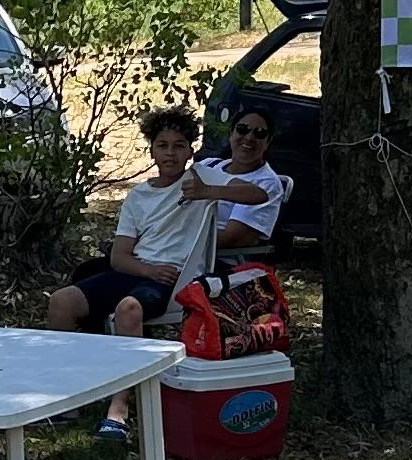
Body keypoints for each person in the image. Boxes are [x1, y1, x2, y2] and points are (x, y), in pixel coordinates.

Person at [50, 107, 214, 441]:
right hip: (140, 270)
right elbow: (119, 256)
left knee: (128, 308)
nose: (170, 153)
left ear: (190, 150)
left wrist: (212, 193)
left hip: (175, 281)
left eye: (179, 145)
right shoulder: (138, 196)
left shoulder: (200, 181)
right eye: (163, 145)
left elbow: (260, 194)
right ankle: (69, 396)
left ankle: (118, 410)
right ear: (151, 149)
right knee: (61, 302)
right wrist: (148, 268)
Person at [194, 105, 290, 255]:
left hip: (214, 259)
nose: (250, 137)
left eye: (260, 133)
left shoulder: (266, 186)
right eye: (242, 129)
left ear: (268, 142)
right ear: (231, 134)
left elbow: (233, 238)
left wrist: (180, 241)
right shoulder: (208, 165)